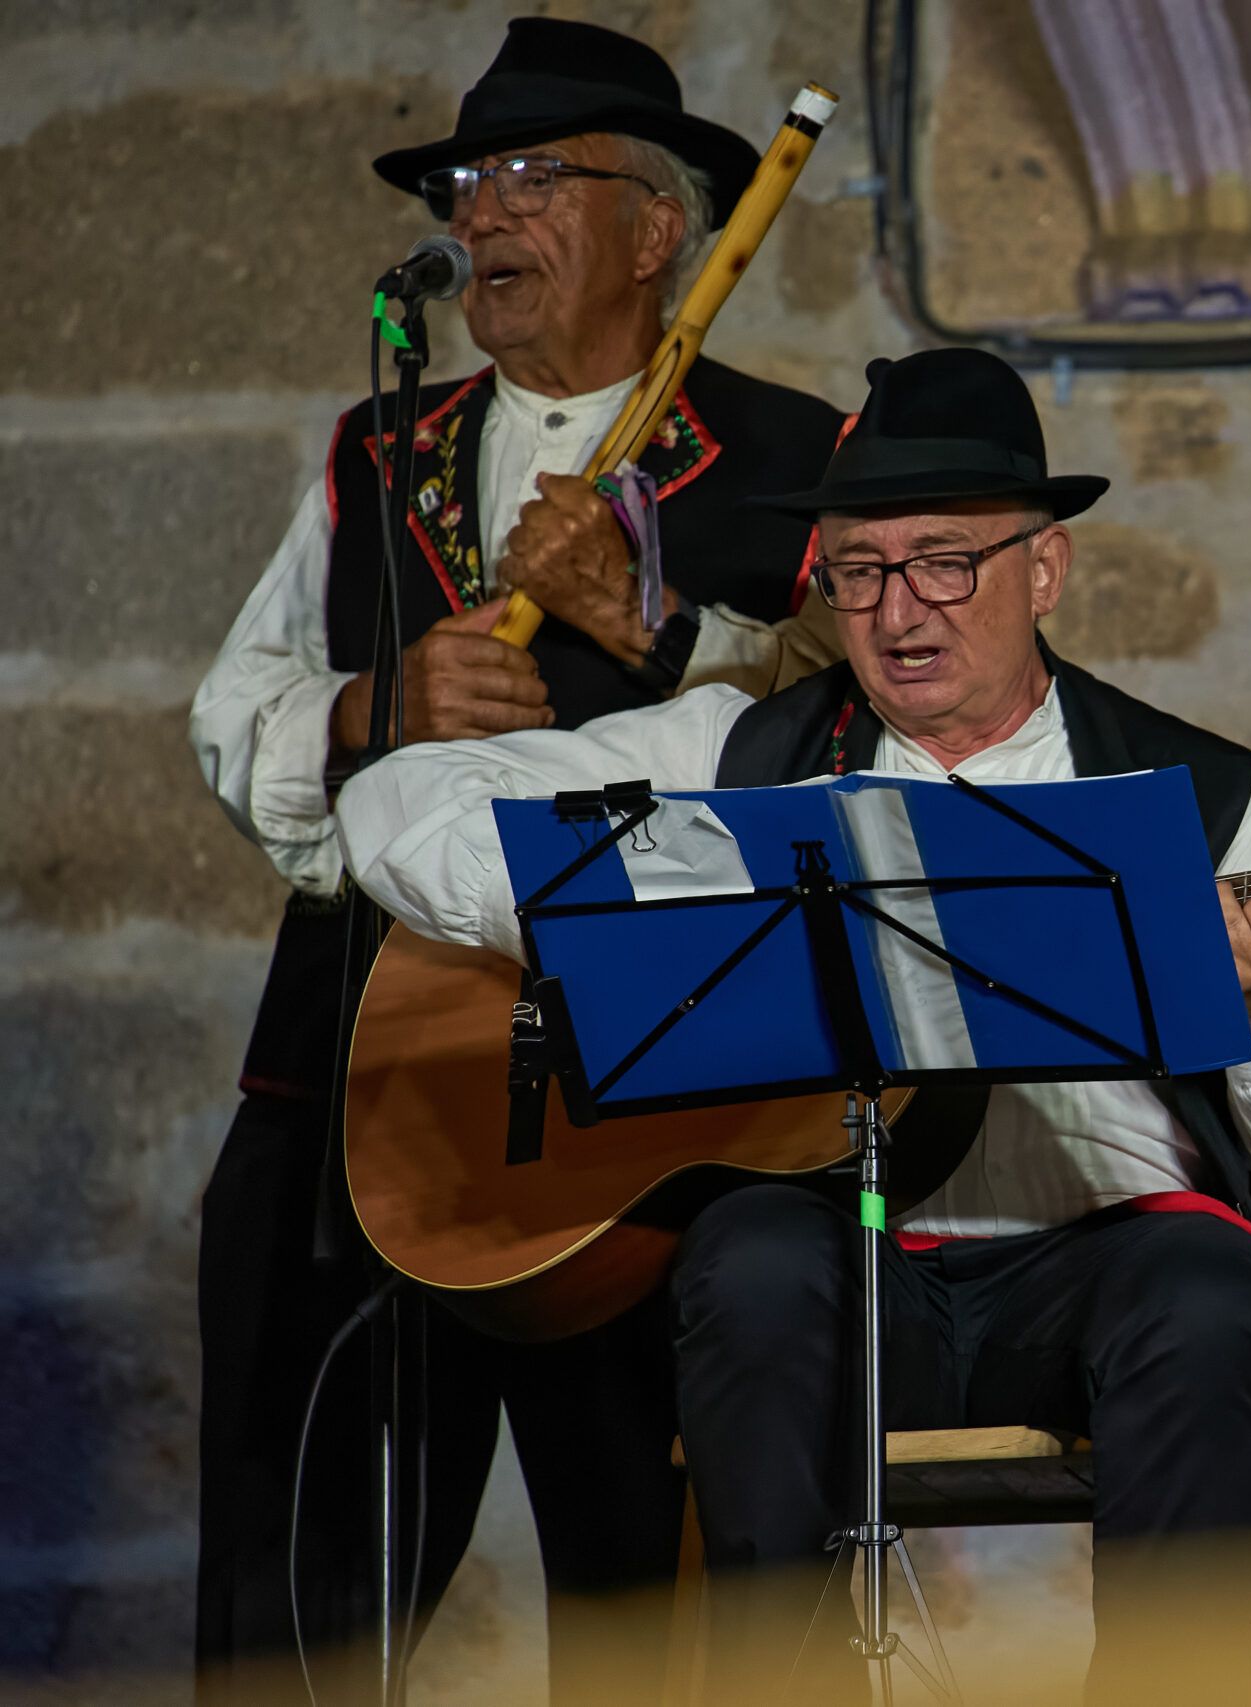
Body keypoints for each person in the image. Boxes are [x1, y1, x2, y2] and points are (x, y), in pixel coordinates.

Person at [336, 347, 1251, 1697]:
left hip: (1097, 1287)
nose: (900, 609)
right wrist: (635, 903)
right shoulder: (734, 758)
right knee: (744, 1261)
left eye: (944, 561)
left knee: (1209, 1293)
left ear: (1045, 570)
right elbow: (388, 809)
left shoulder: (1215, 808)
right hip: (846, 1278)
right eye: (859, 570)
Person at [185, 18, 847, 1700]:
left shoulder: (792, 461)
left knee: (649, 1589)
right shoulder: (375, 446)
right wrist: (368, 705)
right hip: (357, 1074)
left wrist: (664, 626)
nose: (488, 214)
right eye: (472, 182)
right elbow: (237, 703)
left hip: (644, 1101)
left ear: (658, 230)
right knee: (293, 1571)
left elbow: (875, 731)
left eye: (538, 179)